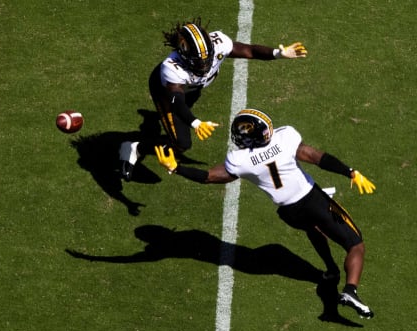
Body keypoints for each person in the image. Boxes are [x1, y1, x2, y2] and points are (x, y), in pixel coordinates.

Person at [154, 108, 376, 318]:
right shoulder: (285, 137)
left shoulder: (240, 160)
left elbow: (209, 177)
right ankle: (350, 289)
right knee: (356, 245)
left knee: (312, 228)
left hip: (289, 211)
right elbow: (317, 157)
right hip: (313, 199)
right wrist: (350, 173)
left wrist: (177, 168)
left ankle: (330, 269)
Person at [120, 18, 307, 181]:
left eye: (207, 58)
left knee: (183, 115)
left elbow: (249, 51)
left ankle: (159, 127)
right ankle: (135, 147)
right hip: (167, 92)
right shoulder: (172, 68)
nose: (205, 64)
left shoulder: (219, 43)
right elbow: (176, 101)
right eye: (198, 61)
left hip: (192, 88)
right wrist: (195, 123)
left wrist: (278, 54)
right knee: (182, 143)